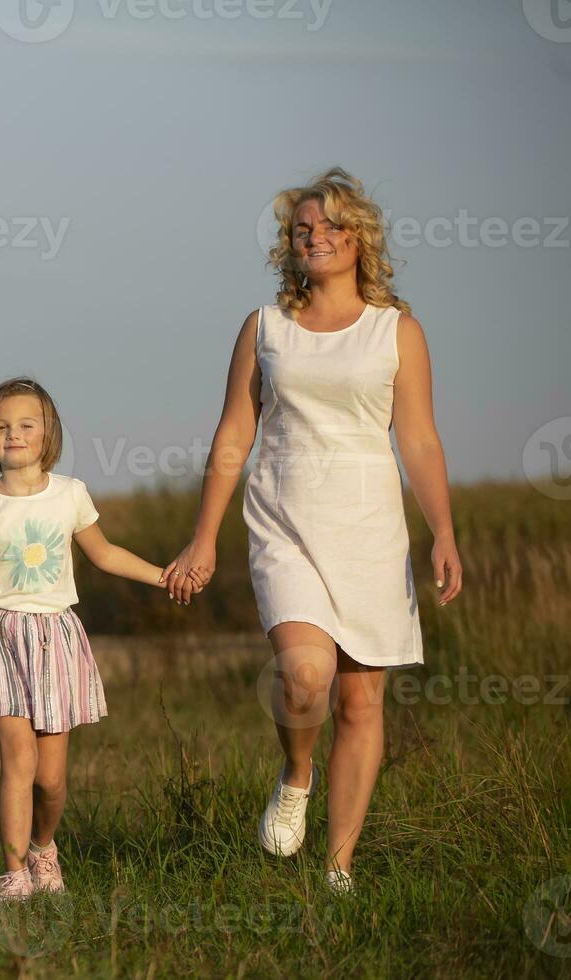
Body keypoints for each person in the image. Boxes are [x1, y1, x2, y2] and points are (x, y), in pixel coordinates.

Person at [162, 167, 463, 894]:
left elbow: (418, 440)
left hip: (370, 529)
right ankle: (296, 774)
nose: (315, 236)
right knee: (305, 678)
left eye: (329, 224)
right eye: (302, 229)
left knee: (361, 702)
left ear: (359, 237)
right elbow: (235, 432)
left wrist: (444, 534)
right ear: (289, 247)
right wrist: (203, 537)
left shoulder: (399, 332)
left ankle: (337, 869)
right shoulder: (265, 328)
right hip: (282, 520)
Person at [0, 378, 170, 902]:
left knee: (50, 778)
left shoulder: (70, 494)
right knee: (19, 760)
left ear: (47, 432)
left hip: (57, 636)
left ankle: (43, 848)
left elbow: (106, 553)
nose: (14, 435)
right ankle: (13, 874)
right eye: (2, 427)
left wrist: (166, 577)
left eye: (26, 425)